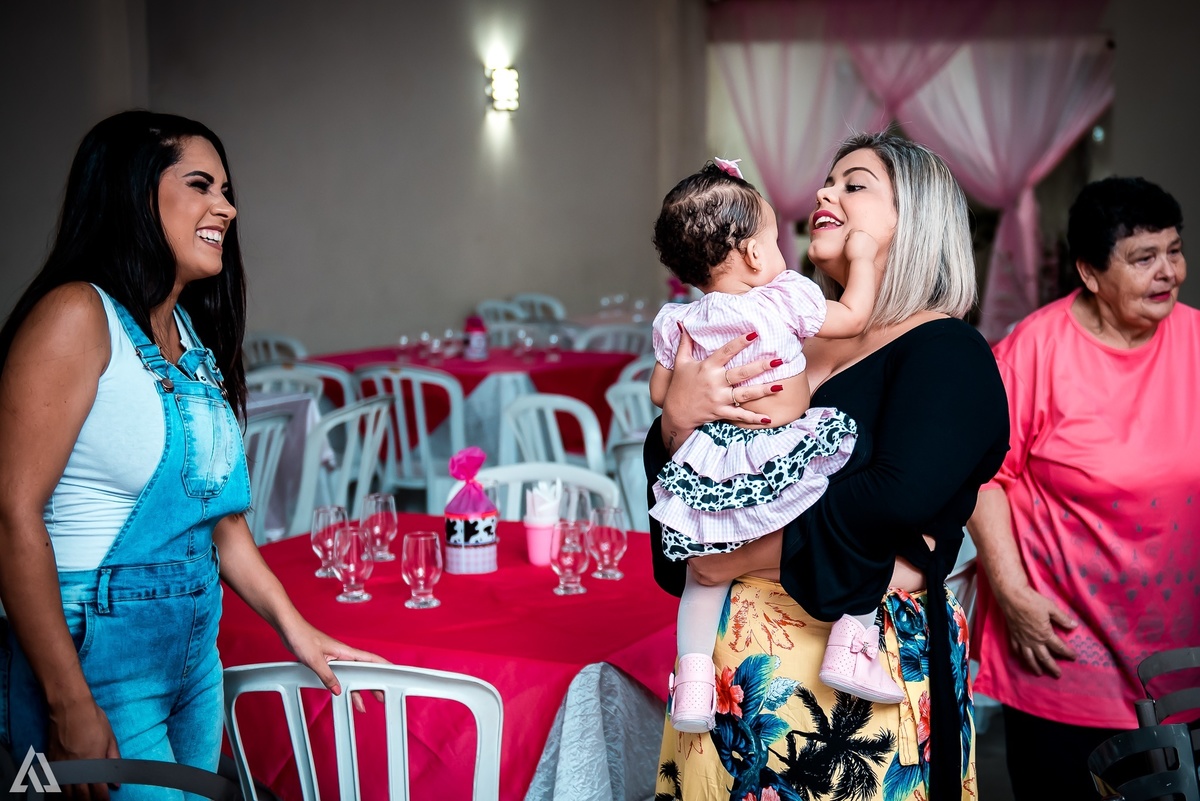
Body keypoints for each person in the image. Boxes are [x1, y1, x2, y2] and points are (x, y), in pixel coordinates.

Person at [0, 110, 383, 799]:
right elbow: (11, 514)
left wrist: (298, 629)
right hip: (96, 653)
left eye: (227, 190)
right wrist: (67, 699)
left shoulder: (189, 336)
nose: (226, 207)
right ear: (134, 194)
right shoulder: (75, 315)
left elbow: (222, 522)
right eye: (201, 185)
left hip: (192, 651)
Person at [646, 131, 1009, 800]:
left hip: (848, 696)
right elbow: (685, 491)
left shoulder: (947, 351)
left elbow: (894, 498)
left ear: (915, 220)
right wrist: (676, 419)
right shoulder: (785, 338)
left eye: (855, 182)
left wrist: (731, 559)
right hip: (729, 687)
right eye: (828, 180)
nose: (823, 192)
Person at [647, 157, 905, 734]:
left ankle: (691, 681)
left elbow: (663, 390)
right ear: (757, 254)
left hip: (715, 456)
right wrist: (861, 261)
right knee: (850, 523)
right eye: (773, 235)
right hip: (779, 448)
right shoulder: (782, 298)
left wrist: (687, 399)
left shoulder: (679, 320)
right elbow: (854, 315)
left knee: (697, 573)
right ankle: (852, 641)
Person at [968, 176, 1199, 800]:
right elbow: (984, 475)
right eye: (1143, 258)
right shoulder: (1033, 352)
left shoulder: (1196, 341)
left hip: (1178, 652)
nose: (1168, 273)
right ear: (1090, 274)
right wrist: (1012, 594)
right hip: (1063, 654)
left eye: (1174, 251)